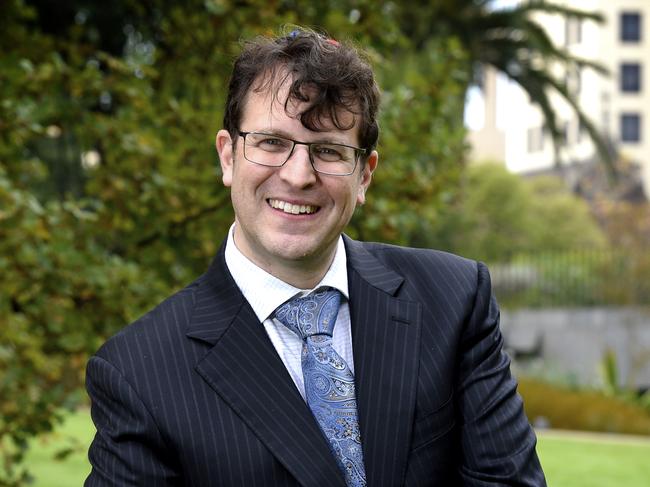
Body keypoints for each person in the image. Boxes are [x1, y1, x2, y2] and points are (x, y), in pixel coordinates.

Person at [85, 28, 546, 486]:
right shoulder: (137, 374)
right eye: (271, 143)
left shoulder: (453, 300)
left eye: (328, 150)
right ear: (228, 157)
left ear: (364, 175)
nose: (299, 175)